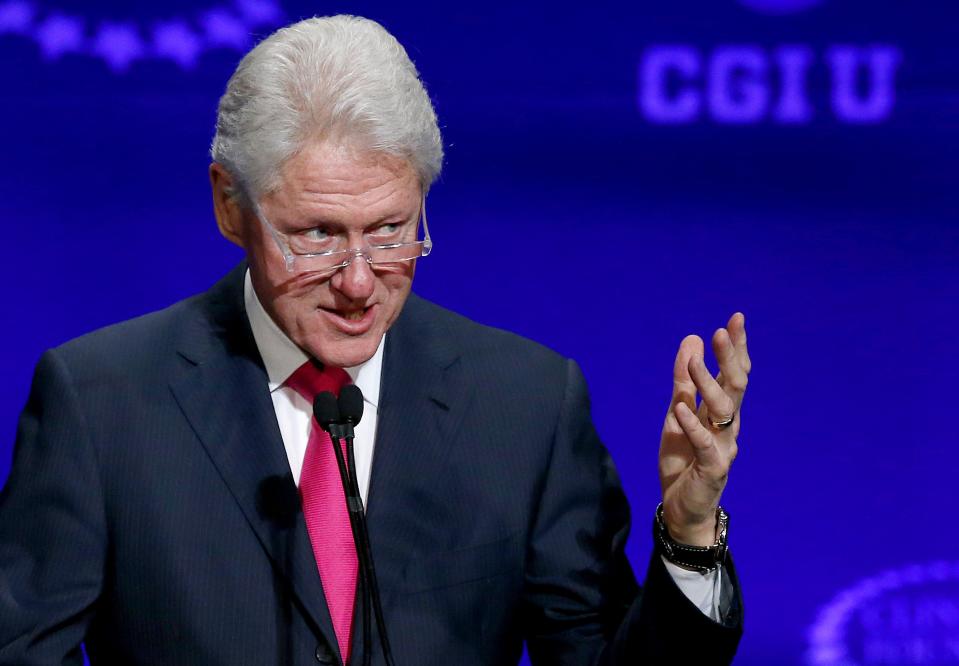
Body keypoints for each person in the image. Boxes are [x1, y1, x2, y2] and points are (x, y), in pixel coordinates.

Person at [0, 15, 749, 665]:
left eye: (390, 230)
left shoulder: (524, 405)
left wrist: (686, 535)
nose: (359, 283)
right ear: (230, 206)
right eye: (317, 236)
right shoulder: (102, 403)